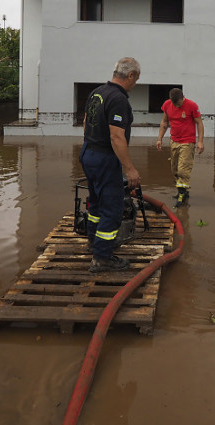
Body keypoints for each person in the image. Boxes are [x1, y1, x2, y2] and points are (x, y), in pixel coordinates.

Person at [79, 57, 142, 272]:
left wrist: (91, 147)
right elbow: (116, 137)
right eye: (136, 79)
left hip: (89, 152)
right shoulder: (118, 99)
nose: (135, 84)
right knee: (113, 209)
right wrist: (130, 169)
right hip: (104, 158)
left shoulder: (97, 92)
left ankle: (93, 243)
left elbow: (86, 122)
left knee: (96, 203)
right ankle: (102, 258)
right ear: (130, 75)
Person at [156, 88, 204, 207]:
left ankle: (181, 197)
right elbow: (164, 122)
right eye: (174, 104)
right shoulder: (167, 105)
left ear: (183, 97)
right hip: (174, 141)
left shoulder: (192, 105)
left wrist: (200, 141)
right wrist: (159, 139)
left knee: (183, 169)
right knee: (175, 169)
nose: (177, 106)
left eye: (178, 104)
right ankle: (183, 191)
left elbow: (199, 123)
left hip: (188, 142)